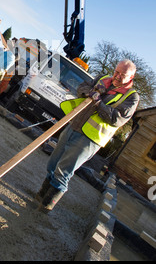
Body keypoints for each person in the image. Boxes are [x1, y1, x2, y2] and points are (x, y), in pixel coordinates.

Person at [36, 59, 140, 213]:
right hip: (74, 125)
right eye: (116, 71)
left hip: (89, 138)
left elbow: (116, 119)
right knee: (53, 162)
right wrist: (89, 92)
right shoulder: (103, 79)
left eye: (122, 75)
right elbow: (82, 86)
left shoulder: (131, 97)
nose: (117, 76)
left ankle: (45, 207)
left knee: (64, 170)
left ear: (131, 77)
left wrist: (99, 103)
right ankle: (40, 196)